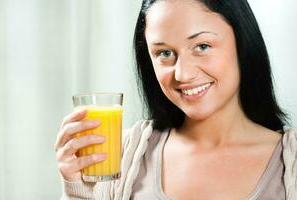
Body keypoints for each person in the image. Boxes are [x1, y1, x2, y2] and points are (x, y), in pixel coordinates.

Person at [54, 0, 297, 199]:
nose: (182, 74)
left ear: (242, 41)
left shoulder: (290, 162)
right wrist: (79, 191)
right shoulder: (121, 157)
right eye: (164, 53)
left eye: (202, 46)